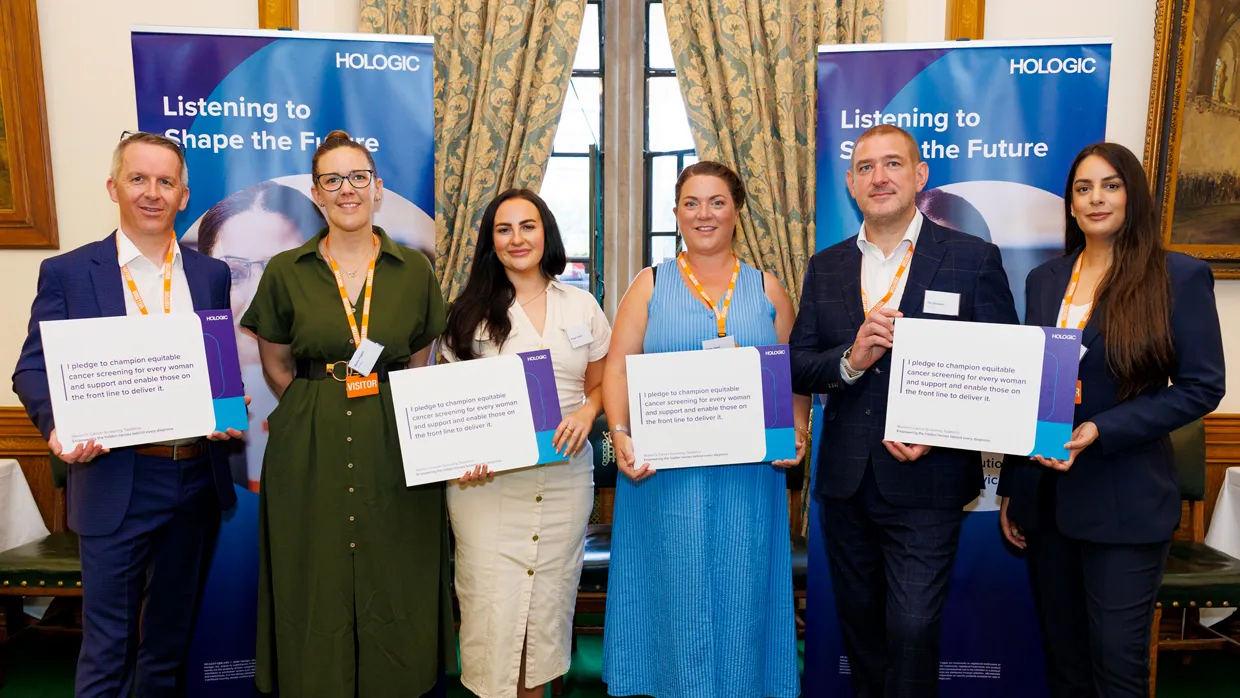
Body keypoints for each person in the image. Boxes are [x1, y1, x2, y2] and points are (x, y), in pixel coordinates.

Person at [12, 131, 244, 697]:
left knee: (167, 643)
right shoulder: (69, 273)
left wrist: (225, 407)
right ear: (113, 187)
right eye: (138, 179)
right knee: (107, 646)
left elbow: (215, 366)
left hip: (193, 478)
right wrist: (57, 425)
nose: (152, 193)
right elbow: (31, 370)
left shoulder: (209, 275)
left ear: (184, 196)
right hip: (116, 478)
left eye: (166, 182)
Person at [789, 124, 1018, 697]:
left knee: (913, 629)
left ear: (920, 176)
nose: (879, 176)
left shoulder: (973, 259)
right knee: (861, 632)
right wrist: (850, 358)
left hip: (930, 480)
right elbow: (798, 365)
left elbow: (1001, 372)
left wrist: (939, 435)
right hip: (846, 484)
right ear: (850, 183)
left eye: (893, 164)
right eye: (865, 167)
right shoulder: (828, 266)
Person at [998, 142, 1225, 698]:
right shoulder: (1046, 279)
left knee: (1116, 670)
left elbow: (1203, 387)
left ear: (1133, 195)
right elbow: (1032, 385)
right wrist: (1013, 486)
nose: (1096, 198)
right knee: (1067, 666)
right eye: (1083, 188)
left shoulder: (1177, 275)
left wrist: (1103, 428)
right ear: (1071, 205)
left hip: (1124, 501)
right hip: (1047, 502)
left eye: (1110, 185)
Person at [240, 129, 452, 696]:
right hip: (308, 442)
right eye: (332, 180)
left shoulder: (414, 271)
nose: (347, 190)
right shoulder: (287, 269)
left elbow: (417, 361)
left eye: (358, 177)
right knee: (313, 574)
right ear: (316, 193)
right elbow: (277, 366)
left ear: (377, 188)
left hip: (395, 441)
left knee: (396, 570)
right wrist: (317, 411)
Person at [600, 161, 809, 698]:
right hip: (662, 480)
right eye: (691, 203)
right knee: (671, 597)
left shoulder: (767, 288)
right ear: (675, 213)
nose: (704, 213)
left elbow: (795, 372)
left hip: (746, 479)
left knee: (743, 597)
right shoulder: (648, 285)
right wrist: (620, 432)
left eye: (717, 201)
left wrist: (799, 429)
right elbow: (617, 368)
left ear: (737, 211)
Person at [440, 188, 611, 698]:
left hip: (564, 482)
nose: (518, 238)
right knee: (492, 617)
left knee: (544, 619)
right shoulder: (465, 312)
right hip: (487, 489)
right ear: (491, 243)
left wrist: (586, 411)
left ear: (546, 233)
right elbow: (450, 404)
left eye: (528, 226)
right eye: (504, 229)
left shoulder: (581, 305)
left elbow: (602, 384)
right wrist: (460, 454)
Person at [194, 181, 325, 490]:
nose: (258, 298)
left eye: (281, 271)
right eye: (234, 274)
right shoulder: (186, 397)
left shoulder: (346, 384)